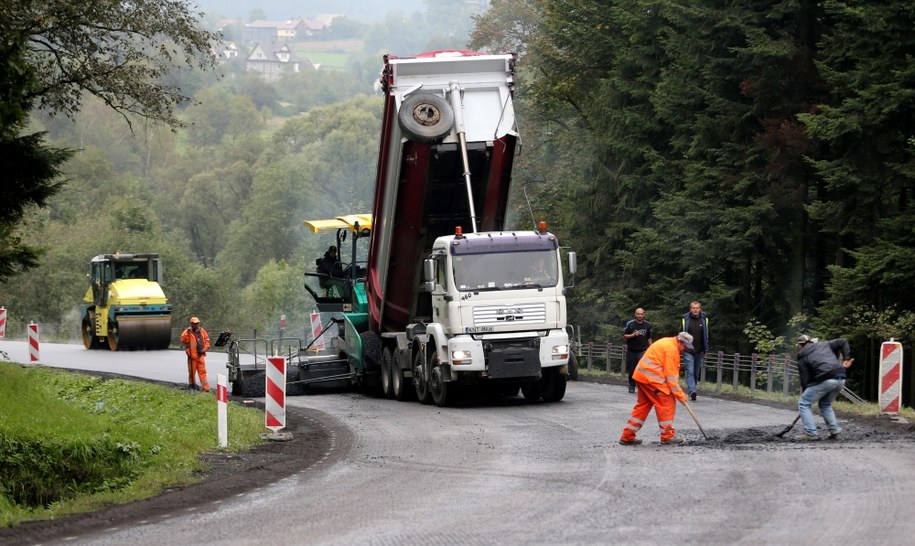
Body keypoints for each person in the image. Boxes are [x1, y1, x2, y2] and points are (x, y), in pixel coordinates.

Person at [619, 332, 693, 446]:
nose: (685, 350)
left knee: (643, 406)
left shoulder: (668, 342)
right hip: (651, 379)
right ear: (680, 341)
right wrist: (681, 396)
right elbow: (671, 379)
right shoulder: (671, 351)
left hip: (642, 376)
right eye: (685, 347)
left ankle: (627, 436)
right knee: (667, 402)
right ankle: (667, 436)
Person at [794, 334, 853, 441]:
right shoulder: (824, 345)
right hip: (841, 377)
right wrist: (847, 358)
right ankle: (835, 431)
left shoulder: (802, 356)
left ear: (800, 345)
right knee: (825, 404)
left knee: (803, 403)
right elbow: (843, 341)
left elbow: (804, 378)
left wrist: (805, 392)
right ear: (811, 342)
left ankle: (811, 433)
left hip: (827, 379)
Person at [680, 301, 709, 401]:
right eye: (693, 308)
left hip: (699, 350)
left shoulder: (704, 319)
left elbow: (707, 335)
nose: (695, 309)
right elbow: (681, 333)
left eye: (697, 308)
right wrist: (681, 346)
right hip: (688, 350)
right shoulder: (685, 319)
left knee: (696, 373)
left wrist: (705, 349)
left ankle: (691, 391)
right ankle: (692, 390)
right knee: (690, 371)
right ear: (690, 309)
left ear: (700, 309)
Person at [622, 308, 652, 393]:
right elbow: (624, 336)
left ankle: (643, 386)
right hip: (632, 351)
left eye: (641, 314)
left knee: (643, 369)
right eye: (638, 314)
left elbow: (649, 337)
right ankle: (632, 385)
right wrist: (633, 334)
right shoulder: (630, 324)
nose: (640, 316)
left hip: (642, 351)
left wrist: (652, 347)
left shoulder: (647, 325)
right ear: (635, 314)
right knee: (632, 370)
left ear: (644, 315)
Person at [180, 316, 210, 392]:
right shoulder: (188, 332)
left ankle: (205, 388)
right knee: (192, 373)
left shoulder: (202, 331)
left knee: (202, 372)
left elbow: (207, 341)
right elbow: (183, 340)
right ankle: (192, 385)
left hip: (200, 356)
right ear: (191, 324)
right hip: (192, 356)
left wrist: (205, 349)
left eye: (197, 323)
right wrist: (187, 332)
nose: (196, 325)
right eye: (194, 323)